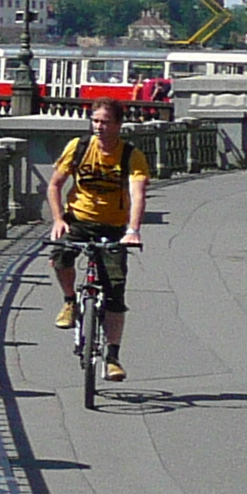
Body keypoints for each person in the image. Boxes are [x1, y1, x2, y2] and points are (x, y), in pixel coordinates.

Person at [48, 98, 151, 382]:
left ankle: (113, 357)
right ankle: (70, 300)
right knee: (60, 255)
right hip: (78, 221)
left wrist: (133, 229)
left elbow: (138, 194)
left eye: (105, 122)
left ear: (118, 125)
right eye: (95, 121)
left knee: (115, 291)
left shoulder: (131, 155)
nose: (99, 127)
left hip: (113, 226)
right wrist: (58, 219)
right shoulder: (79, 147)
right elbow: (55, 184)